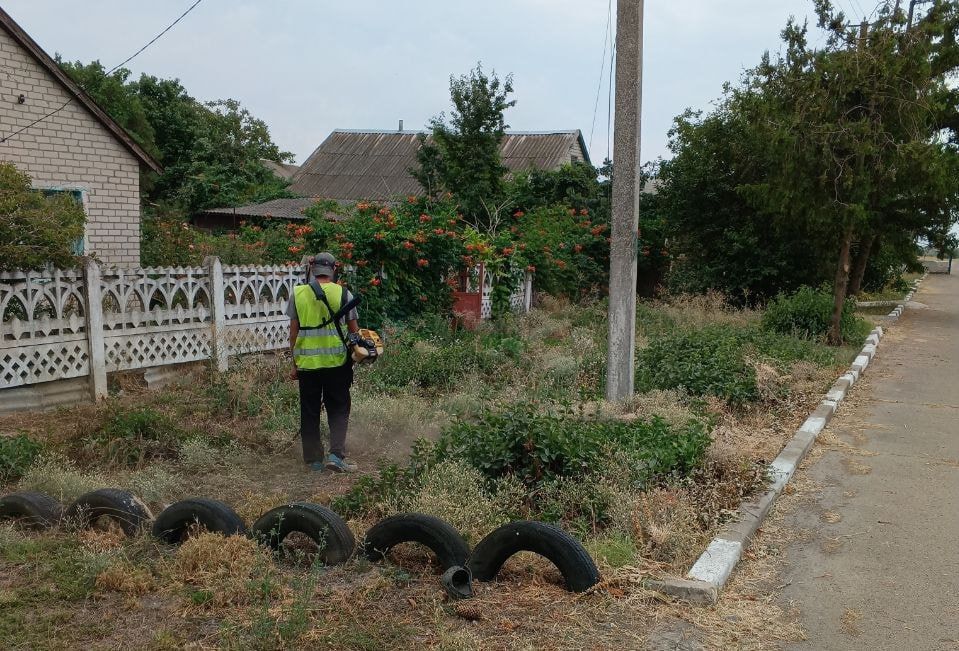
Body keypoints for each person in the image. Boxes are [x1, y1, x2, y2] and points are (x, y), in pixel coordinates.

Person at [286, 252, 359, 472]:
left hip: (307, 365)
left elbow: (293, 334)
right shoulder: (344, 294)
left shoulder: (298, 294)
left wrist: (295, 363)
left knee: (309, 411)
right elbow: (354, 333)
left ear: (312, 268)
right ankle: (336, 456)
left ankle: (314, 461)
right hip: (337, 364)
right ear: (333, 269)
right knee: (338, 408)